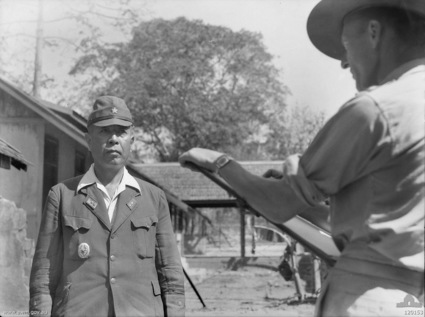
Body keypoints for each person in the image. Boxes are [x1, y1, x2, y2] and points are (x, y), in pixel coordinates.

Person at [179, 0, 424, 316]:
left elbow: (277, 203)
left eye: (347, 46)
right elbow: (380, 219)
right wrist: (303, 207)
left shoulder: (374, 111)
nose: (344, 63)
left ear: (373, 33)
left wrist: (221, 163)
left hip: (368, 297)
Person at [30, 96, 185, 317]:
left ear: (132, 139)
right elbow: (45, 273)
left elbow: (170, 273)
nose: (113, 139)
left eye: (121, 132)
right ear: (88, 140)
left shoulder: (154, 198)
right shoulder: (62, 195)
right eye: (104, 131)